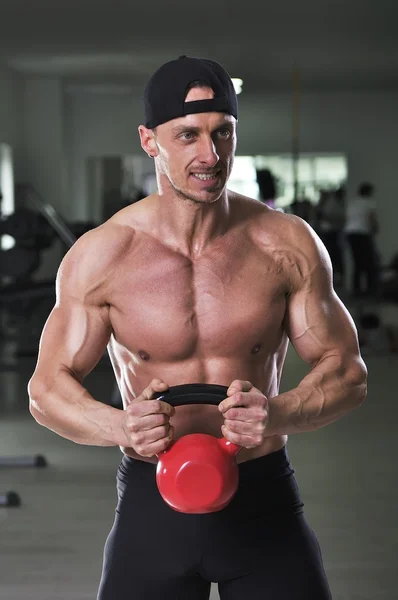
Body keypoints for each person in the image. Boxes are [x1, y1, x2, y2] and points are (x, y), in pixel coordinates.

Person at [28, 55, 367, 600]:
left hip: (263, 500)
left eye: (222, 133)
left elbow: (347, 373)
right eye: (187, 135)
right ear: (149, 140)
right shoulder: (104, 255)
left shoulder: (285, 244)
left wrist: (277, 413)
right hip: (151, 506)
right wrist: (120, 427)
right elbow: (46, 390)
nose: (210, 156)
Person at [345, 182, 379, 298]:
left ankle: (356, 290)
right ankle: (370, 290)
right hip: (363, 234)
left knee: (357, 263)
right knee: (370, 262)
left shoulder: (353, 203)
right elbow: (372, 218)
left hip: (351, 234)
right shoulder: (369, 202)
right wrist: (375, 228)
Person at [316, 187, 346, 287]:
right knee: (332, 255)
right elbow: (326, 216)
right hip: (329, 233)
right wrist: (339, 219)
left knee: (335, 255)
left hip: (332, 232)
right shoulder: (331, 203)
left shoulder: (334, 203)